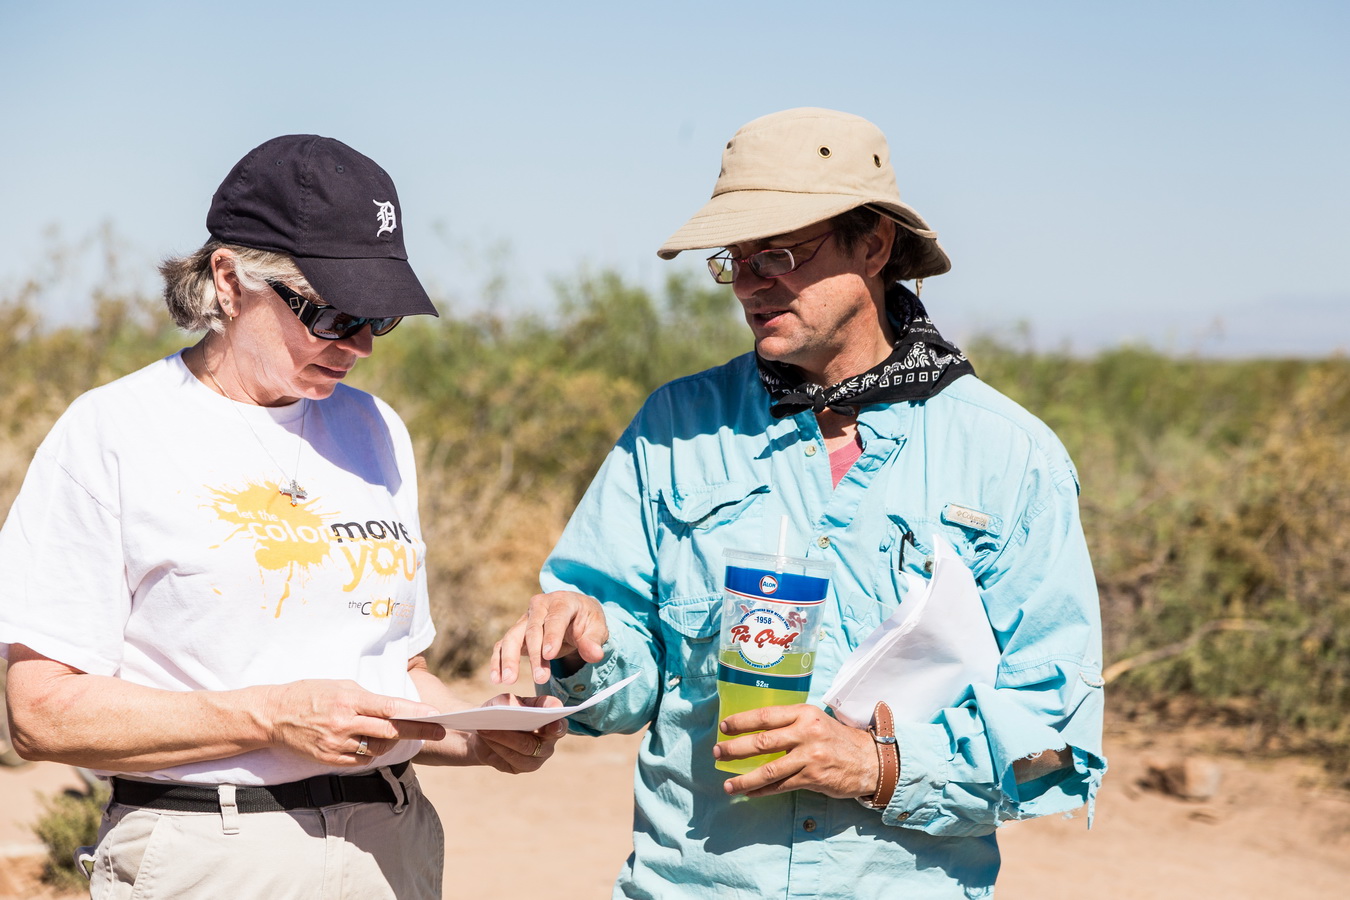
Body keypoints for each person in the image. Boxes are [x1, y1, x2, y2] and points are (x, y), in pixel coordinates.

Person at [492, 108, 1107, 898]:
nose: (751, 282)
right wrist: (583, 643)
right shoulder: (675, 426)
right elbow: (626, 690)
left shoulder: (1010, 459)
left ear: (875, 245)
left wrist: (874, 768)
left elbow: (1053, 741)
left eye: (779, 252)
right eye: (734, 259)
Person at [0, 134, 566, 899]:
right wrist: (270, 719)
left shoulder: (376, 430)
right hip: (211, 851)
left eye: (379, 318)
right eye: (331, 314)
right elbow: (43, 714)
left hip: (392, 847)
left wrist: (482, 733)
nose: (360, 345)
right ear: (230, 283)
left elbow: (395, 675)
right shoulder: (113, 431)